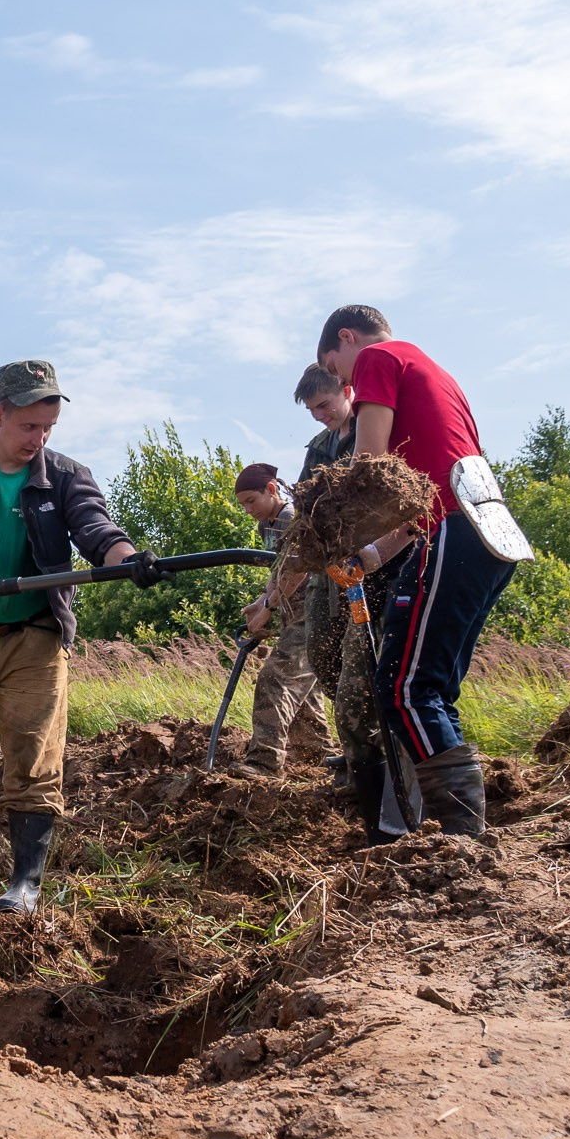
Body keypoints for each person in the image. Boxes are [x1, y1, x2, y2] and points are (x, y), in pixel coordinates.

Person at [0, 360, 166, 915]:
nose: (37, 440)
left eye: (47, 429)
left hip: (35, 635)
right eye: (27, 427)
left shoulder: (65, 475)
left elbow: (96, 529)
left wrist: (130, 559)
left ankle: (26, 880)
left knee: (35, 751)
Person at [317, 305, 524, 837]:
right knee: (429, 688)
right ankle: (454, 833)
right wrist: (366, 558)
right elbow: (421, 499)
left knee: (403, 689)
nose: (345, 383)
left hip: (452, 534)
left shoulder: (380, 357)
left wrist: (330, 535)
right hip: (488, 533)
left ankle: (460, 838)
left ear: (347, 339)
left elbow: (369, 471)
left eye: (338, 372)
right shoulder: (438, 374)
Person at [292, 364, 399, 845]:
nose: (319, 415)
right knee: (322, 658)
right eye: (311, 409)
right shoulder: (318, 450)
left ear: (347, 391)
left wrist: (373, 553)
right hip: (330, 571)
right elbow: (305, 515)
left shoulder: (373, 431)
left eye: (325, 404)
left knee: (362, 683)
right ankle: (359, 748)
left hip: (376, 569)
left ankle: (381, 778)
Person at [226, 463, 328, 780]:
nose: (247, 510)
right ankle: (320, 759)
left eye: (250, 501)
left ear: (271, 490)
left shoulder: (290, 520)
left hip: (313, 613)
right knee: (304, 696)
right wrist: (261, 602)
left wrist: (268, 607)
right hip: (292, 616)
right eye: (241, 504)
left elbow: (298, 570)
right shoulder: (267, 526)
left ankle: (264, 763)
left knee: (275, 680)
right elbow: (278, 573)